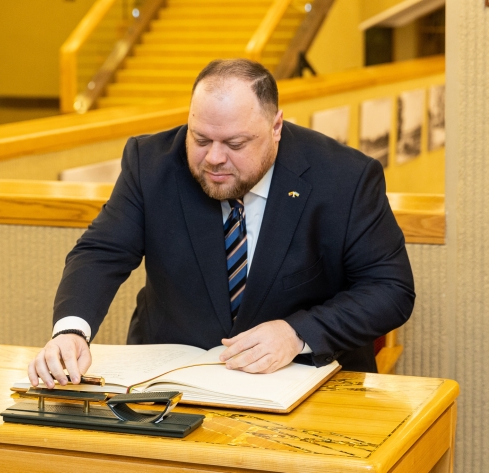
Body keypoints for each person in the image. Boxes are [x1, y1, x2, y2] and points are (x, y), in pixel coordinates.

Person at [28, 59, 415, 389]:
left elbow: (390, 289)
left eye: (235, 144)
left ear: (276, 127)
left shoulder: (345, 178)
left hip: (308, 384)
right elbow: (101, 252)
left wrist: (297, 333)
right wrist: (71, 330)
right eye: (200, 139)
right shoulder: (151, 164)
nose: (213, 158)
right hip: (170, 384)